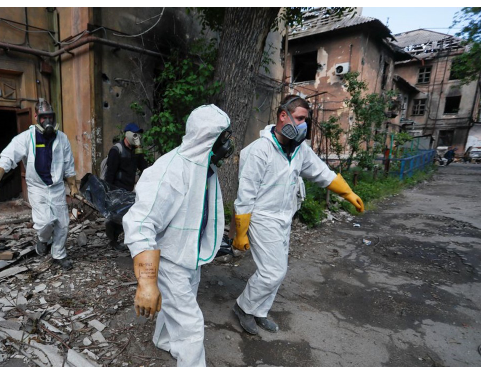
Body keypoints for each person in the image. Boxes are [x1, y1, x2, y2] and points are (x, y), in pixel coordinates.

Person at [232, 95, 364, 335]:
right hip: (262, 218)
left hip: (284, 218)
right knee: (273, 271)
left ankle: (259, 311)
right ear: (284, 116)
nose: (304, 124)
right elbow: (245, 195)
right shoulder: (259, 151)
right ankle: (243, 307)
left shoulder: (299, 149)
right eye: (301, 118)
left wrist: (348, 193)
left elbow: (320, 171)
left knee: (278, 269)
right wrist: (241, 232)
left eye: (306, 120)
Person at [122, 105, 234, 366]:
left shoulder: (203, 166)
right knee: (191, 326)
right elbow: (139, 223)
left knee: (175, 308)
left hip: (188, 256)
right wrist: (147, 283)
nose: (227, 144)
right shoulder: (169, 172)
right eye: (224, 138)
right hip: (171, 261)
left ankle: (163, 340)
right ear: (208, 138)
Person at [0, 98, 79, 271]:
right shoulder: (26, 138)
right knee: (45, 222)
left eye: (50, 116)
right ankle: (43, 240)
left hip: (57, 187)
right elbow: (9, 155)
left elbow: (68, 162)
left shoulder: (62, 138)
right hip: (37, 187)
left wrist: (72, 184)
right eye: (44, 117)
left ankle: (58, 254)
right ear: (36, 116)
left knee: (63, 224)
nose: (48, 121)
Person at [104, 123, 148, 251]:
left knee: (127, 216)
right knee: (118, 216)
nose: (137, 137)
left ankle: (122, 239)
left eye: (139, 134)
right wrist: (109, 191)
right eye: (135, 134)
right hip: (117, 188)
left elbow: (143, 167)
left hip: (129, 189)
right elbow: (110, 173)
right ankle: (113, 240)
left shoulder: (136, 150)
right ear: (127, 134)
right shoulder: (116, 150)